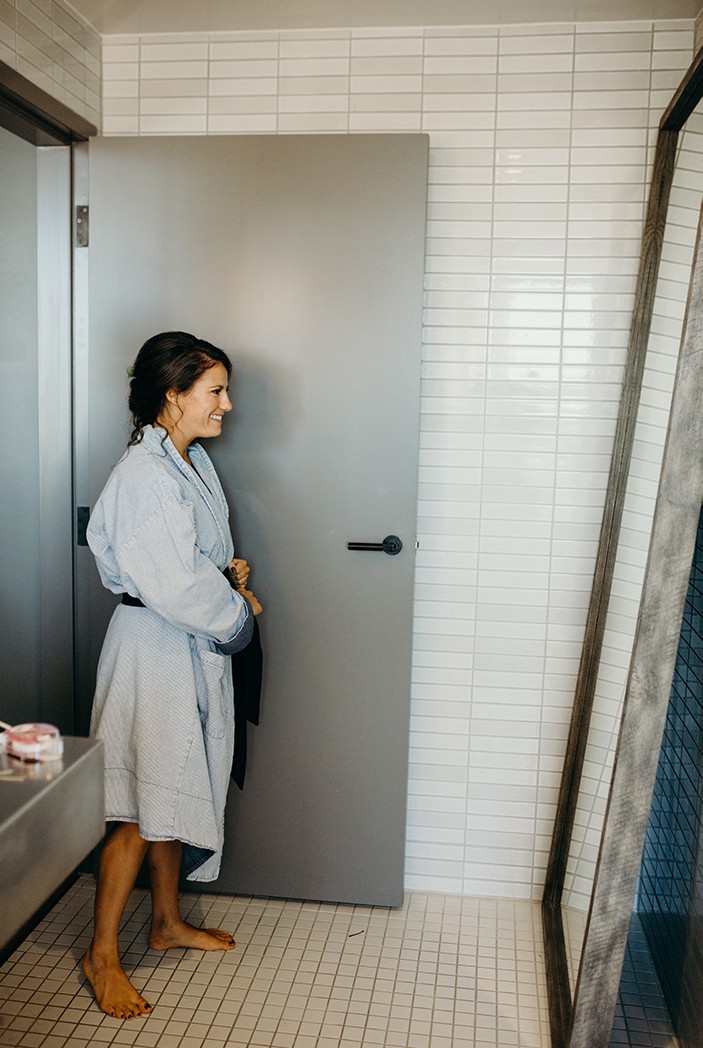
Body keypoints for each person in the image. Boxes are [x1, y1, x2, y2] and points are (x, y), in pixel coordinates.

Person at [83, 331, 262, 1020]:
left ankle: (164, 921)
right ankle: (102, 956)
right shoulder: (145, 477)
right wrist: (236, 610)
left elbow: (189, 565)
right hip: (152, 651)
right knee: (136, 805)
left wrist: (225, 573)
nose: (226, 404)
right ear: (173, 394)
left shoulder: (185, 460)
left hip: (180, 639)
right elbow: (173, 586)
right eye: (214, 390)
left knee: (173, 787)